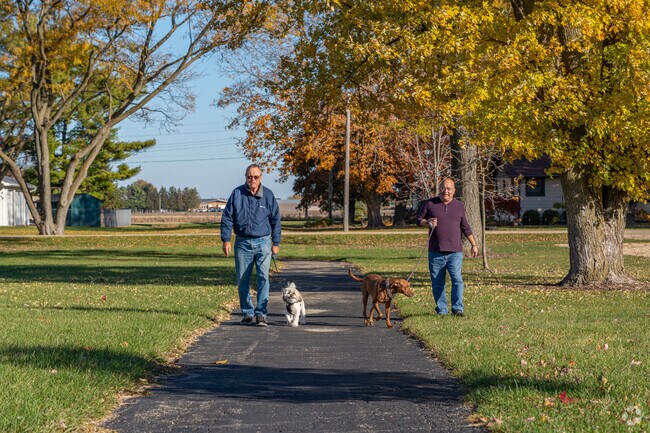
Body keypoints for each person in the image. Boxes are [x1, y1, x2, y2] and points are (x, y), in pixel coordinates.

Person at [221, 164, 281, 326]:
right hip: (242, 243)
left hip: (263, 243)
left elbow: (275, 220)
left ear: (260, 177)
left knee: (263, 278)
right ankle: (247, 312)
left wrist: (276, 242)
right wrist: (226, 239)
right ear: (245, 177)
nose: (252, 180)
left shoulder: (268, 195)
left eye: (255, 177)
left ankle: (261, 313)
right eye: (249, 177)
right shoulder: (237, 193)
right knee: (243, 280)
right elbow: (227, 218)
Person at [416, 178, 478, 316]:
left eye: (449, 188)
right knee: (438, 283)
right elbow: (418, 220)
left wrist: (473, 244)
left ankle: (457, 309)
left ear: (454, 191)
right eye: (443, 188)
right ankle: (442, 310)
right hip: (435, 251)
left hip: (455, 252)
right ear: (440, 189)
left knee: (457, 279)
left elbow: (465, 227)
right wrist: (428, 222)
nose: (446, 191)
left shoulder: (459, 206)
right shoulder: (430, 203)